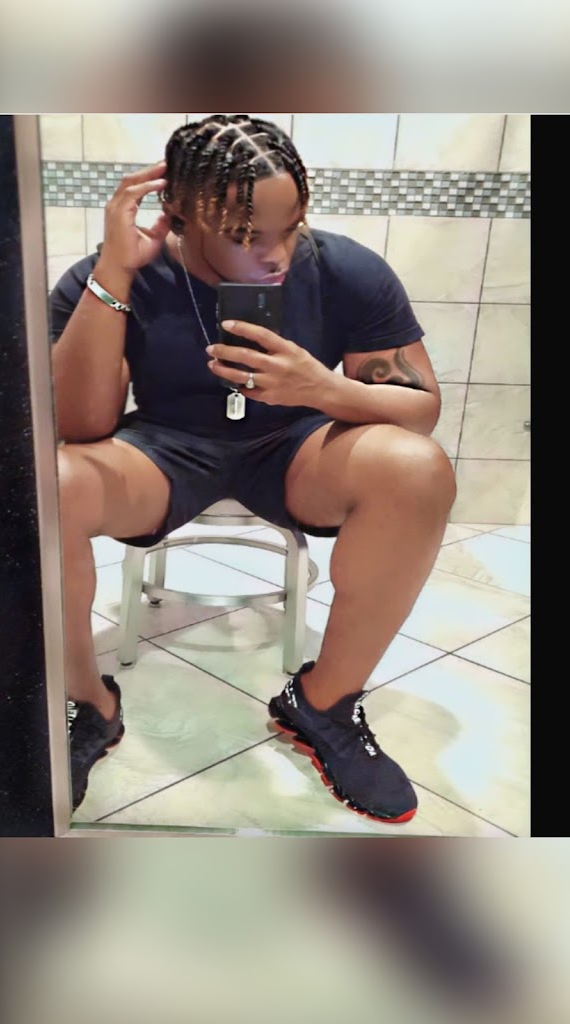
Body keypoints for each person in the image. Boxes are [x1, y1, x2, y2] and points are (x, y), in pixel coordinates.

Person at [50, 114, 456, 819]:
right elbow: (79, 425)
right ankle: (84, 701)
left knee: (416, 468)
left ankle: (323, 705)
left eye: (290, 227)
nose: (276, 254)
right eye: (246, 235)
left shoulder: (344, 269)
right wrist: (114, 274)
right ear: (178, 210)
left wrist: (321, 389)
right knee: (48, 485)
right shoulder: (112, 276)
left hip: (296, 447)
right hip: (163, 450)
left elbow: (420, 409)